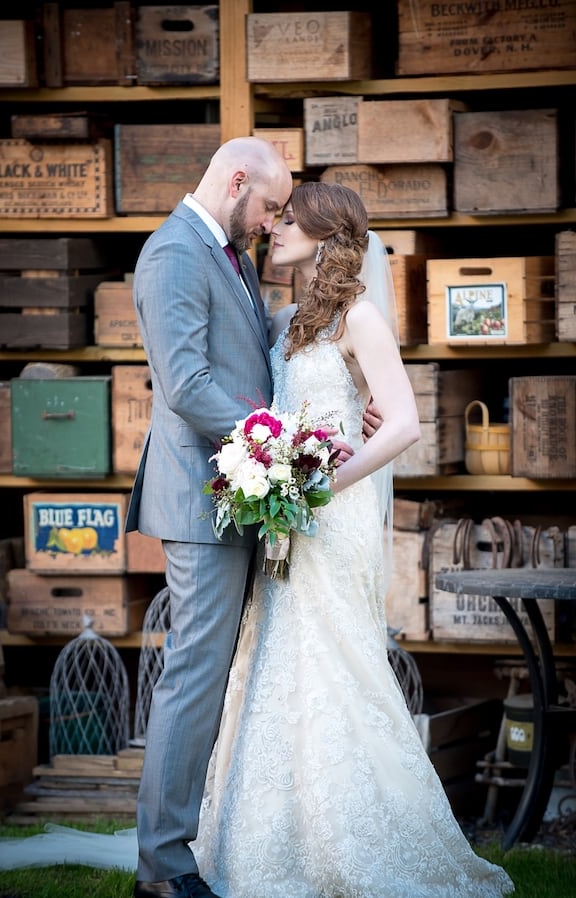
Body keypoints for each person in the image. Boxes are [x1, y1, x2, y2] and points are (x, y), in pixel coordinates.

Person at [189, 182, 515, 898]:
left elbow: (401, 423)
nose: (274, 228)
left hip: (331, 518)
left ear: (325, 232)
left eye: (288, 220)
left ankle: (363, 833)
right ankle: (275, 839)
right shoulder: (293, 320)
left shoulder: (359, 317)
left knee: (338, 662)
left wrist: (319, 486)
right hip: (289, 515)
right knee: (281, 658)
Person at [124, 136, 293, 898]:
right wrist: (278, 445)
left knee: (215, 673)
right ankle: (162, 869)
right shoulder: (174, 255)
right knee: (192, 677)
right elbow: (188, 384)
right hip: (204, 500)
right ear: (235, 183)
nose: (271, 223)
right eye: (270, 206)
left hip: (238, 492)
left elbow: (243, 353)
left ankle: (203, 841)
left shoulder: (227, 252)